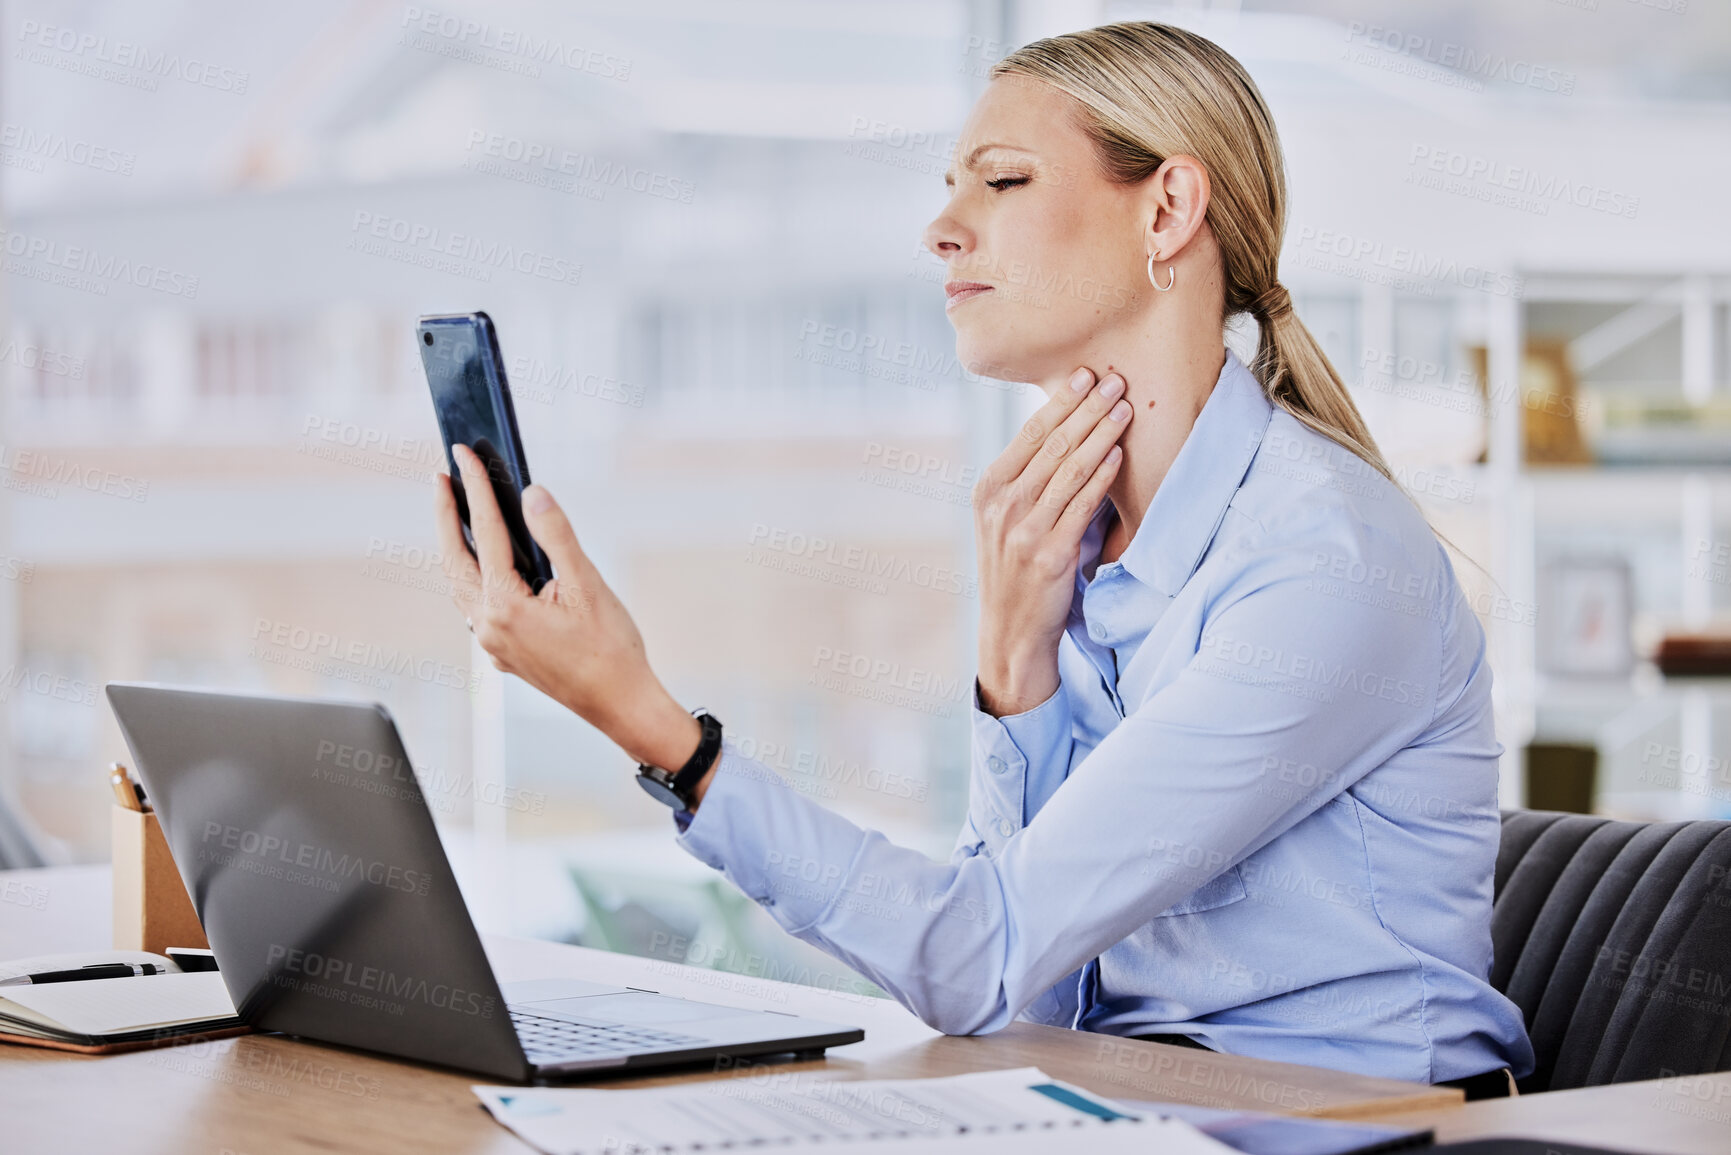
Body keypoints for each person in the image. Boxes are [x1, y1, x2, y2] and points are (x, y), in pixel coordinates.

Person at [432, 21, 1535, 1095]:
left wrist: (655, 730)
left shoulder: (1322, 565)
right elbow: (1023, 991)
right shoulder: (1078, 546)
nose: (942, 230)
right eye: (951, 186)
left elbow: (975, 959)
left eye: (1001, 182)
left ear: (1169, 209)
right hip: (1122, 1100)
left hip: (1344, 1127)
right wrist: (1018, 667)